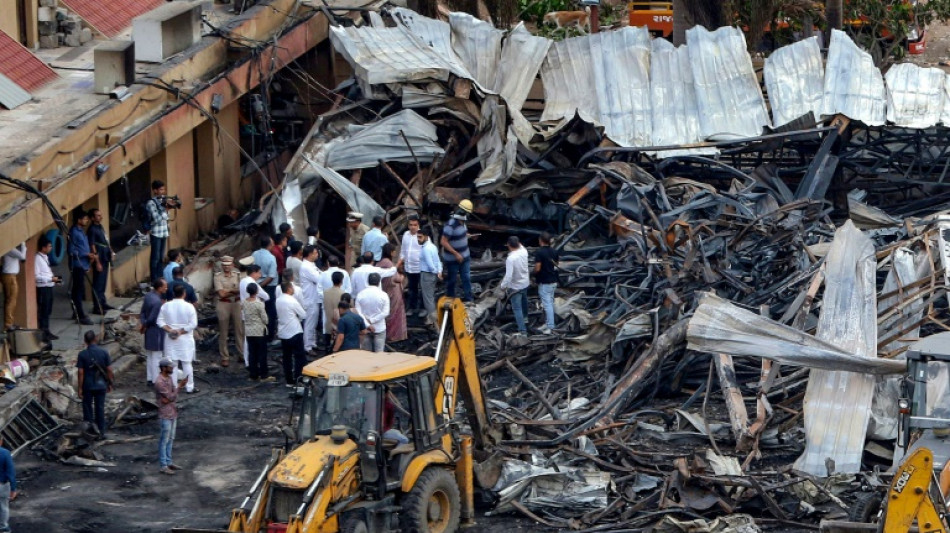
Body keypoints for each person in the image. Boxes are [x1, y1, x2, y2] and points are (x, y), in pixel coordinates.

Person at [158, 284, 199, 393]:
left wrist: (170, 330)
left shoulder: (166, 306)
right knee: (187, 363)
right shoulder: (189, 307)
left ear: (173, 294)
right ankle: (189, 387)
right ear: (184, 294)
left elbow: (160, 322)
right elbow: (193, 324)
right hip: (185, 338)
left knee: (172, 364)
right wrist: (180, 331)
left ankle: (174, 387)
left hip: (170, 339)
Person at [77, 330, 113, 437]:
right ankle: (101, 431)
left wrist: (79, 388)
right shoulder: (104, 352)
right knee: (100, 408)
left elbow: (80, 372)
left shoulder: (82, 354)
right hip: (101, 385)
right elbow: (109, 370)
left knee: (87, 408)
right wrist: (109, 383)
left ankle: (89, 431)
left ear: (85, 341)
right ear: (95, 339)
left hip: (87, 386)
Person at [155, 358, 186, 475]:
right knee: (164, 440)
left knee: (170, 439)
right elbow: (171, 396)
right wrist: (179, 387)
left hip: (172, 411)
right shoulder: (159, 382)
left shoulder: (168, 378)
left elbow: (171, 397)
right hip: (165, 414)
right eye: (170, 367)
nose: (172, 368)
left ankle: (168, 461)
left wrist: (172, 395)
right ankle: (163, 465)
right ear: (163, 368)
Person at [441, 199, 474, 301]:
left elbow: (461, 234)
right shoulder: (450, 225)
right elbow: (443, 242)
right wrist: (456, 254)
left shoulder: (463, 223)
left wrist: (469, 236)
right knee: (452, 280)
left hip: (465, 257)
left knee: (466, 278)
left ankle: (469, 299)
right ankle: (450, 300)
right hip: (453, 259)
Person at [68, 208, 96, 325]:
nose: (86, 221)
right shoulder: (74, 232)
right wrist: (86, 254)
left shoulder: (81, 231)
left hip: (83, 264)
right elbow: (71, 251)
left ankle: (76, 311)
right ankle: (80, 314)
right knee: (78, 290)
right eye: (84, 219)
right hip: (77, 264)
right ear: (79, 220)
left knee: (79, 289)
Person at [213, 256, 242, 367]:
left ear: (232, 265)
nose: (226, 267)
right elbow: (221, 294)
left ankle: (241, 354)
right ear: (221, 266)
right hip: (223, 303)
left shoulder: (237, 275)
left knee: (239, 330)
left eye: (228, 265)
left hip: (236, 303)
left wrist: (228, 291)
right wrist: (233, 291)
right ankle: (225, 356)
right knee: (223, 332)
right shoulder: (217, 277)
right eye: (224, 265)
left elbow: (240, 291)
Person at [276, 282, 307, 386]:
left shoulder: (278, 300)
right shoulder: (292, 301)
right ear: (289, 288)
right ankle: (299, 378)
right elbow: (303, 314)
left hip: (283, 332)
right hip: (294, 331)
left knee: (287, 357)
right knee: (299, 356)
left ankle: (289, 380)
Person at [498, 236, 530, 335]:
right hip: (525, 283)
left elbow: (508, 276)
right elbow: (520, 245)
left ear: (508, 245)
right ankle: (525, 320)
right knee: (524, 302)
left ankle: (522, 331)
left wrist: (502, 286)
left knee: (517, 308)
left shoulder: (511, 258)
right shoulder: (524, 251)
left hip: (515, 286)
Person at [242, 283, 274, 382]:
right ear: (256, 291)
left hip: (249, 330)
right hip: (259, 330)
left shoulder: (244, 302)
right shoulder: (258, 304)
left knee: (252, 353)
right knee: (262, 353)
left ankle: (253, 374)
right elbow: (265, 319)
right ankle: (264, 375)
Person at [146, 180, 176, 282]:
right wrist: (165, 210)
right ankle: (154, 279)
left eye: (163, 189)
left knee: (161, 257)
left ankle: (160, 277)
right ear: (155, 190)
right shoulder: (151, 203)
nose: (163, 191)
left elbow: (167, 218)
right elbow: (157, 219)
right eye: (161, 189)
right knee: (155, 257)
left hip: (164, 232)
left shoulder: (163, 201)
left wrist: (169, 208)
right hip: (155, 233)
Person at [87, 208, 115, 314]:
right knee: (98, 283)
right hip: (99, 257)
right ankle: (97, 306)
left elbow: (106, 239)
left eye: (100, 215)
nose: (100, 217)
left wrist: (111, 251)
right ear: (93, 218)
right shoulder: (92, 229)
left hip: (105, 255)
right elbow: (92, 245)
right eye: (98, 216)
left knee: (103, 282)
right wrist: (97, 262)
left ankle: (103, 303)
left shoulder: (100, 227)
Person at [377, 244, 406, 342]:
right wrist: (402, 276)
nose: (395, 253)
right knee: (393, 313)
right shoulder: (388, 264)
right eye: (394, 251)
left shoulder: (379, 263)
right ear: (390, 252)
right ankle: (393, 336)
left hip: (384, 290)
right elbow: (396, 278)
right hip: (393, 292)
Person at [141, 278, 167, 385]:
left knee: (150, 355)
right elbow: (153, 318)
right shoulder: (157, 302)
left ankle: (150, 378)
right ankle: (156, 380)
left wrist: (144, 324)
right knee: (157, 356)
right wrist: (146, 324)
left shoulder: (148, 296)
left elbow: (142, 312)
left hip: (149, 330)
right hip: (156, 331)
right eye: (165, 286)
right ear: (160, 288)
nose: (166, 288)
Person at [35, 236, 61, 341]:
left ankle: (47, 330)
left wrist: (55, 280)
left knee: (48, 310)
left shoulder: (45, 257)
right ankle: (43, 332)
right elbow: (36, 276)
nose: (51, 248)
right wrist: (50, 279)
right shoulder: (37, 258)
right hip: (43, 288)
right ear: (43, 247)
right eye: (49, 246)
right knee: (43, 311)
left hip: (49, 286)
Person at [252, 236, 278, 341]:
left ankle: (260, 334)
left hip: (255, 285)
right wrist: (261, 286)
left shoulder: (254, 254)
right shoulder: (271, 258)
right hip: (268, 287)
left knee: (258, 311)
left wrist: (257, 286)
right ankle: (269, 336)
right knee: (270, 312)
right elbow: (271, 276)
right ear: (269, 245)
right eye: (272, 244)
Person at [356, 273, 389, 352]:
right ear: (379, 282)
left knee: (367, 354)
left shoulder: (361, 294)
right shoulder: (384, 295)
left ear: (368, 282)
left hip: (365, 328)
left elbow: (358, 312)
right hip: (379, 328)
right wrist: (372, 320)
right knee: (379, 353)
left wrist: (367, 324)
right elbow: (385, 312)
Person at [298, 245, 322, 353]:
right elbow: (319, 278)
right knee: (309, 323)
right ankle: (307, 346)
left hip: (314, 297)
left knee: (314, 322)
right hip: (310, 298)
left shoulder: (311, 265)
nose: (317, 255)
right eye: (316, 253)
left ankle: (313, 342)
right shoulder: (306, 267)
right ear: (310, 254)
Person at [535, 232, 560, 334]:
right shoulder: (554, 251)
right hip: (553, 280)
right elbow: (557, 265)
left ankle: (550, 327)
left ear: (540, 240)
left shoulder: (539, 252)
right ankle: (548, 323)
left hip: (544, 282)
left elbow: (537, 268)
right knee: (550, 303)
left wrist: (533, 273)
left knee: (547, 304)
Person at [417, 228, 442, 325]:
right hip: (432, 274)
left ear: (426, 237)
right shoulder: (433, 247)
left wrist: (436, 272)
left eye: (420, 237)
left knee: (428, 299)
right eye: (417, 237)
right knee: (430, 296)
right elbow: (438, 261)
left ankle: (433, 320)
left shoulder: (426, 249)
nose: (418, 239)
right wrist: (439, 271)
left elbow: (430, 265)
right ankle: (432, 317)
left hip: (427, 274)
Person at [400, 215, 423, 317]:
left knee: (422, 289)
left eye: (415, 225)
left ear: (418, 225)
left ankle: (422, 308)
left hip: (420, 268)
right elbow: (403, 250)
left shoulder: (423, 235)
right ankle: (412, 308)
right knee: (412, 289)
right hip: (409, 268)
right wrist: (400, 263)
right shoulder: (406, 235)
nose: (413, 227)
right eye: (411, 225)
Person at [1, 242, 25, 330]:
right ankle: (8, 324)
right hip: (9, 275)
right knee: (11, 300)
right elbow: (22, 256)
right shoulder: (10, 249)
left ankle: (9, 322)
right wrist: (23, 245)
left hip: (10, 275)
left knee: (10, 300)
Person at [0, 436, 17, 531]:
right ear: (1, 441)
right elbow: (10, 472)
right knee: (3, 507)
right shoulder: (5, 453)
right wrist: (13, 489)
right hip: (2, 485)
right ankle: (3, 528)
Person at [323, 271, 345, 341]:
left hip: (328, 325)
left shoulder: (325, 292)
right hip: (338, 327)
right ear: (341, 281)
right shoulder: (343, 294)